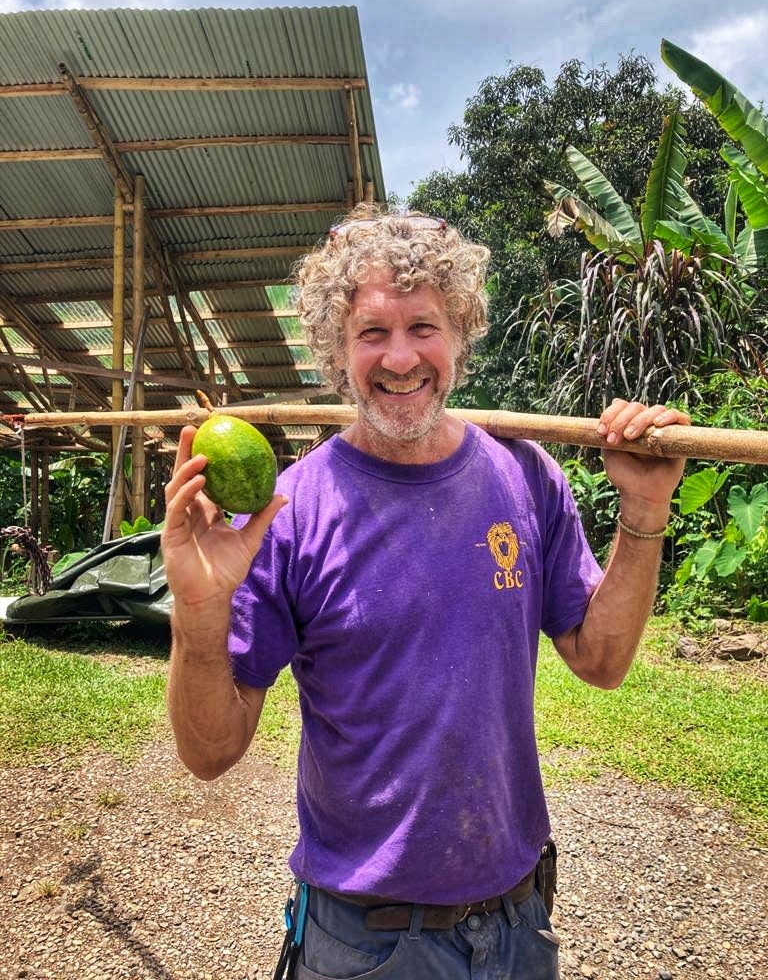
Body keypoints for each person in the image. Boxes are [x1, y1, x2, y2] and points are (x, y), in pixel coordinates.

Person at [162, 207, 690, 980]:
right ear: (338, 354)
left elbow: (601, 659)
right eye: (373, 332)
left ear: (461, 337)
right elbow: (209, 754)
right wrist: (200, 612)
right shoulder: (288, 511)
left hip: (519, 922)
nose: (401, 357)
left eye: (424, 327)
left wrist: (644, 512)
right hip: (368, 943)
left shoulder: (525, 474)